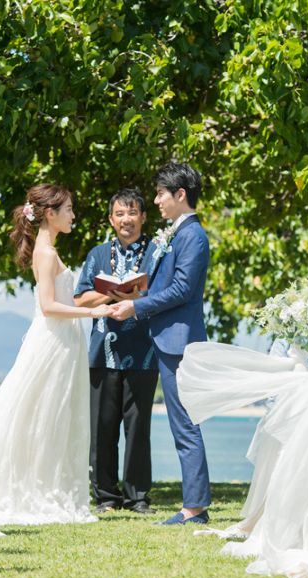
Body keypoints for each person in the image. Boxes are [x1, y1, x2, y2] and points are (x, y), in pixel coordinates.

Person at [0, 184, 110, 525]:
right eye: (68, 209)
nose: (73, 215)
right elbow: (49, 307)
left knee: (55, 416)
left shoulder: (50, 250)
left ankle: (50, 485)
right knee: (39, 415)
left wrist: (106, 297)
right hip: (51, 342)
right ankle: (32, 489)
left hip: (64, 342)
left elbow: (67, 302)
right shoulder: (45, 253)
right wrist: (94, 315)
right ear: (50, 214)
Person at [109, 163, 211, 525]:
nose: (155, 201)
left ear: (180, 195)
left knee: (185, 423)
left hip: (178, 342)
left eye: (160, 194)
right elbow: (162, 282)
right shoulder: (176, 234)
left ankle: (195, 507)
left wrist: (136, 306)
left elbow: (183, 290)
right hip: (169, 339)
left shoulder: (193, 236)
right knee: (182, 423)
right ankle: (194, 503)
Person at [74, 187, 159, 515]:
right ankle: (106, 497)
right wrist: (117, 292)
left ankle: (138, 497)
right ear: (111, 219)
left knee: (138, 427)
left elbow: (159, 291)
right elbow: (80, 299)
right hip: (102, 351)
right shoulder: (97, 254)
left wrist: (130, 293)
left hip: (144, 351)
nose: (127, 219)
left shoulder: (157, 251)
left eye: (133, 212)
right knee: (102, 427)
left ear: (143, 216)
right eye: (120, 213)